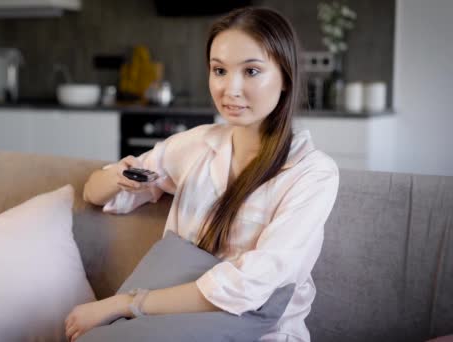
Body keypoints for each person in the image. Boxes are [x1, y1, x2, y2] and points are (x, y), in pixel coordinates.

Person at [65, 6, 339, 342]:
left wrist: (124, 304)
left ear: (285, 77)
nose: (230, 89)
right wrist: (118, 176)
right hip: (167, 321)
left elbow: (251, 284)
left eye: (251, 71)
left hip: (257, 330)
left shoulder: (313, 174)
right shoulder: (195, 145)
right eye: (219, 70)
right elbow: (95, 193)